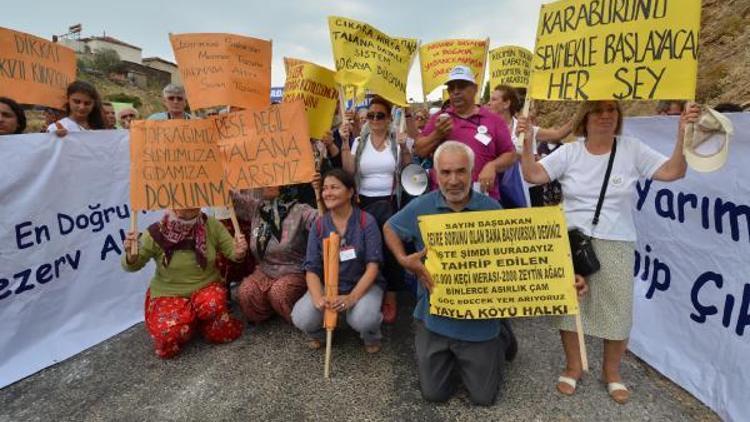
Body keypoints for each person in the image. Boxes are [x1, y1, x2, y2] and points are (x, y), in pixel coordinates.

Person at [519, 100, 700, 404]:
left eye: (611, 110)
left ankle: (611, 372)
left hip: (617, 239)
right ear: (585, 117)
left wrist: (683, 133)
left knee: (618, 309)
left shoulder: (631, 149)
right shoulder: (571, 150)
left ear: (618, 116)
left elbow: (673, 172)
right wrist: (526, 142)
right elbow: (533, 175)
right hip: (573, 240)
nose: (606, 116)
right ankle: (574, 366)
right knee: (570, 309)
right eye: (598, 110)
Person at [383, 141, 521, 405]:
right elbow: (390, 227)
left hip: (479, 319)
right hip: (435, 316)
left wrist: (557, 282)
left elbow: (518, 259)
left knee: (483, 398)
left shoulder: (492, 210)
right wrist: (403, 259)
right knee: (434, 394)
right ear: (435, 174)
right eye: (446, 172)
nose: (454, 180)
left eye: (461, 171)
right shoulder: (421, 207)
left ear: (472, 171)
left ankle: (502, 333)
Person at [122, 208, 247, 358]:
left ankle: (200, 320)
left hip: (205, 287)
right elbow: (133, 265)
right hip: (170, 294)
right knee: (167, 335)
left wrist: (239, 251)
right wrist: (131, 256)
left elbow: (232, 252)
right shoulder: (156, 232)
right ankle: (191, 321)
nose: (186, 206)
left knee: (214, 306)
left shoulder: (211, 225)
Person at [291, 169, 385, 353]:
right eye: (325, 188)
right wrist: (319, 299)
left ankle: (370, 335)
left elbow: (373, 267)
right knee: (302, 317)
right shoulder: (319, 225)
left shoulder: (367, 221)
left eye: (334, 187)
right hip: (330, 286)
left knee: (364, 319)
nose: (328, 192)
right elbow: (311, 269)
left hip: (363, 285)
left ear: (350, 192)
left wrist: (351, 298)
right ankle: (321, 333)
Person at [339, 96, 412, 324]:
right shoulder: (359, 140)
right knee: (369, 249)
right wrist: (343, 142)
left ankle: (391, 295)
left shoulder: (396, 139)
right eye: (370, 115)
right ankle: (370, 291)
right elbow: (349, 171)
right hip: (364, 202)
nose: (375, 119)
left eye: (380, 115)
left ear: (389, 118)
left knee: (391, 249)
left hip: (391, 201)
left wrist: (403, 146)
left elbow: (408, 169)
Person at [415, 66, 516, 200]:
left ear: (474, 89)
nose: (455, 92)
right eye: (451, 88)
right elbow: (419, 150)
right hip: (445, 199)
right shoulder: (439, 119)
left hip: (483, 197)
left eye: (461, 86)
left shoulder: (493, 120)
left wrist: (493, 166)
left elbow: (511, 154)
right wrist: (437, 134)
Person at [232, 181, 319, 325]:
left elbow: (323, 222)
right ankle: (269, 312)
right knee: (245, 292)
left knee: (279, 292)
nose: (269, 183)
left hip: (294, 271)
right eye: (266, 181)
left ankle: (299, 315)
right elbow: (231, 199)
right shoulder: (256, 207)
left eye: (275, 180)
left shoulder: (301, 210)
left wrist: (319, 192)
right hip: (265, 270)